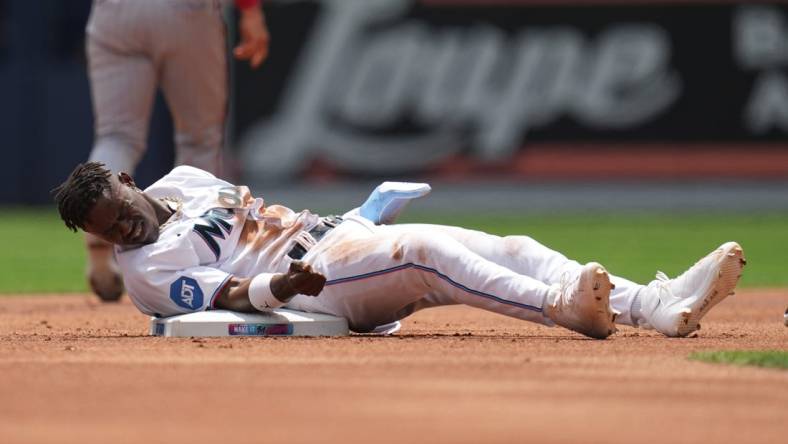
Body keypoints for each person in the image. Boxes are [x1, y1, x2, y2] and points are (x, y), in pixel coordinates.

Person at [53, 162, 747, 339]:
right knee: (423, 252)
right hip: (316, 283)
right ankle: (563, 309)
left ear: (128, 182)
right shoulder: (146, 272)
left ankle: (654, 306)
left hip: (336, 239)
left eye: (122, 215)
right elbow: (226, 296)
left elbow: (275, 218)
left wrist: (356, 212)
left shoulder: (186, 180)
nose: (126, 234)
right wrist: (281, 291)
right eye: (111, 232)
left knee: (510, 242)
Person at [84, 0, 270, 301]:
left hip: (114, 13)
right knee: (200, 141)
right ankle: (206, 250)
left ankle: (98, 247)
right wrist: (250, 10)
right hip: (185, 12)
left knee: (117, 137)